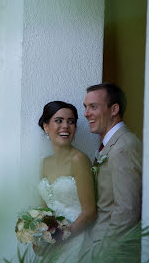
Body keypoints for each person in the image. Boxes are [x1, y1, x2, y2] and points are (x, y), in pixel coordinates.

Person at [81, 83, 142, 258]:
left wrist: (104, 252)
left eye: (93, 107)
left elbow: (127, 209)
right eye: (86, 107)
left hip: (108, 250)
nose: (86, 114)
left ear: (114, 109)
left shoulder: (125, 147)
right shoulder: (109, 144)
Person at [36, 101, 97, 262]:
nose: (66, 126)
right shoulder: (44, 163)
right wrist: (38, 237)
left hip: (75, 243)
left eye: (71, 121)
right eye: (59, 120)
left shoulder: (79, 160)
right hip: (51, 246)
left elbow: (89, 212)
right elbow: (42, 210)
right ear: (46, 126)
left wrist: (61, 239)